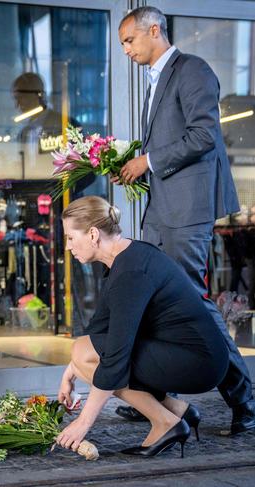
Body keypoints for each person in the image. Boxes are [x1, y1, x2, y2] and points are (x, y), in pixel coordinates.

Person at [115, 6, 255, 434]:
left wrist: (148, 161)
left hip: (186, 211)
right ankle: (158, 400)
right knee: (154, 302)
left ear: (154, 30)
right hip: (161, 211)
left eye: (130, 40)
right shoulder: (157, 80)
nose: (126, 50)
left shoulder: (192, 70)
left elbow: (203, 135)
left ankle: (246, 400)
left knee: (193, 304)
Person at [55, 196, 229, 457]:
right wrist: (70, 372)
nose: (68, 246)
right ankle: (177, 411)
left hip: (199, 362)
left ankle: (165, 422)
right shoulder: (124, 259)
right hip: (183, 351)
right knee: (82, 352)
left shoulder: (130, 273)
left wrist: (83, 422)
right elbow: (99, 330)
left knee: (88, 355)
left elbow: (114, 354)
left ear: (92, 234)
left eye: (70, 237)